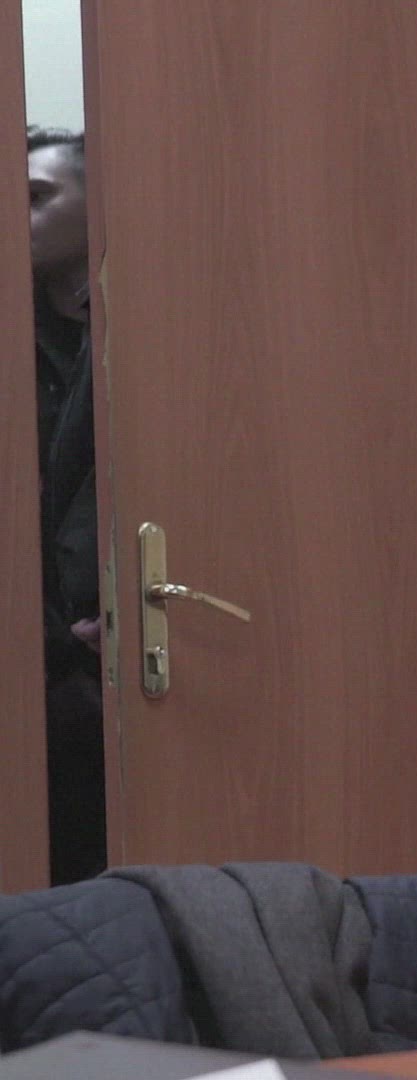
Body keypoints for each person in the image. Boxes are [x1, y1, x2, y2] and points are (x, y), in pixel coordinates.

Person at [29, 125, 102, 885]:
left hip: (126, 634)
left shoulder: (153, 325)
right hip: (41, 654)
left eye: (37, 196)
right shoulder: (22, 340)